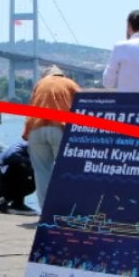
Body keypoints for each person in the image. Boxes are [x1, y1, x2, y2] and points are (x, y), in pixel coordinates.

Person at [23, 65, 81, 209]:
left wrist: (26, 133)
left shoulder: (39, 85)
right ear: (61, 74)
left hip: (36, 129)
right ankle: (66, 209)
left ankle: (45, 212)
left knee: (41, 172)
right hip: (59, 128)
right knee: (66, 171)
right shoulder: (69, 83)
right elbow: (84, 104)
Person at [0, 139, 35, 213]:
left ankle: (9, 202)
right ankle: (11, 202)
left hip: (5, 178)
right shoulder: (24, 145)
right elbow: (13, 155)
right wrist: (30, 165)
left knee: (36, 178)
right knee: (20, 167)